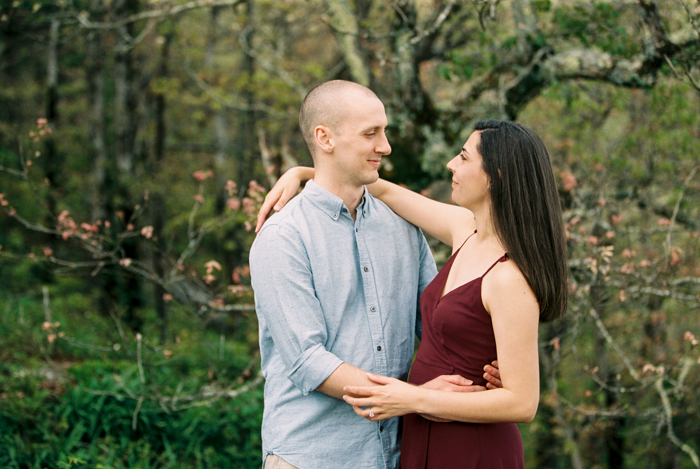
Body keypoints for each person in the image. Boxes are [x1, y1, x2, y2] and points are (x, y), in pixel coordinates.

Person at [259, 119, 568, 468]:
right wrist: (303, 172)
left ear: (495, 176)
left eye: (464, 158)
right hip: (421, 434)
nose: (451, 163)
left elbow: (523, 404)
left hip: (469, 444)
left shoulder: (508, 278)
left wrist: (414, 399)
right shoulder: (465, 230)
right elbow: (384, 190)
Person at [249, 80, 502, 469]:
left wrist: (486, 372)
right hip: (312, 457)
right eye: (371, 134)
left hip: (398, 455)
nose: (385, 146)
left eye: (384, 131)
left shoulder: (402, 227)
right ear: (325, 138)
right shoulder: (282, 237)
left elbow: (437, 328)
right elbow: (308, 361)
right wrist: (412, 396)